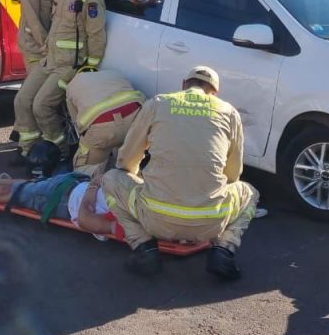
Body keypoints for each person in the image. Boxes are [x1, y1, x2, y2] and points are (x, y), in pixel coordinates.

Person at [101, 66, 259, 280]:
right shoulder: (229, 112)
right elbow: (233, 174)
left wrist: (138, 182)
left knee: (111, 179)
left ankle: (143, 246)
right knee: (249, 193)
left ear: (184, 85)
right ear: (214, 92)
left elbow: (127, 161)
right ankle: (224, 249)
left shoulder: (158, 104)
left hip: (156, 218)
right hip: (210, 222)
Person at [12, 0, 107, 155]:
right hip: (49, 60)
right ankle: (30, 151)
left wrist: (88, 69)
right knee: (22, 101)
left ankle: (59, 150)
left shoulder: (90, 0)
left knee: (41, 106)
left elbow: (96, 37)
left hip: (68, 67)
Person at [0, 150, 116, 237]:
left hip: (63, 199)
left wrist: (93, 186)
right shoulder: (140, 202)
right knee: (29, 185)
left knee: (12, 193)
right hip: (75, 182)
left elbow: (85, 219)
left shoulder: (129, 224)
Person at [65, 69, 145, 175]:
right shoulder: (113, 73)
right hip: (135, 120)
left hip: (102, 130)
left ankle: (98, 184)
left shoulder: (72, 85)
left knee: (83, 168)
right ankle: (133, 182)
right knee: (130, 166)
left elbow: (77, 124)